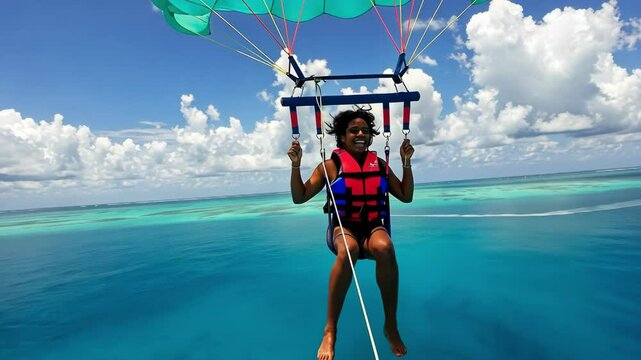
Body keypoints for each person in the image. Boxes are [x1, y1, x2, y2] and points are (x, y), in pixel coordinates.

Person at [288, 109, 414, 360]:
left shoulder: (378, 164)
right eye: (354, 131)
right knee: (349, 251)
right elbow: (299, 197)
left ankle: (390, 325)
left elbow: (406, 196)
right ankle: (330, 330)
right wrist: (296, 165)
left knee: (386, 248)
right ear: (342, 136)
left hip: (371, 227)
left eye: (365, 131)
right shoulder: (330, 166)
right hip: (342, 228)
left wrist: (406, 162)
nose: (360, 135)